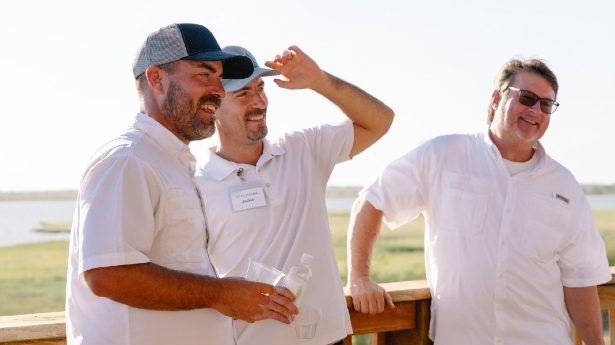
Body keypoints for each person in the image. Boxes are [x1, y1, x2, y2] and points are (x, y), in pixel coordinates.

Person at [347, 58, 612, 345]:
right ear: (497, 98)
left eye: (546, 105)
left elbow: (580, 280)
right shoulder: (443, 155)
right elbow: (372, 201)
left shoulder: (565, 186)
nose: (535, 110)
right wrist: (360, 278)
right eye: (527, 98)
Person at [65, 23, 298, 345]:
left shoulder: (172, 162)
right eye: (204, 75)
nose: (218, 90)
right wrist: (222, 293)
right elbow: (108, 275)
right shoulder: (128, 160)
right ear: (156, 79)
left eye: (219, 77)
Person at [195, 45, 394, 345]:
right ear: (214, 107)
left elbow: (380, 120)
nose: (259, 101)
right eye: (243, 94)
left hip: (330, 338)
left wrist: (320, 81)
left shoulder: (303, 150)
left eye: (260, 88)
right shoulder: (196, 183)